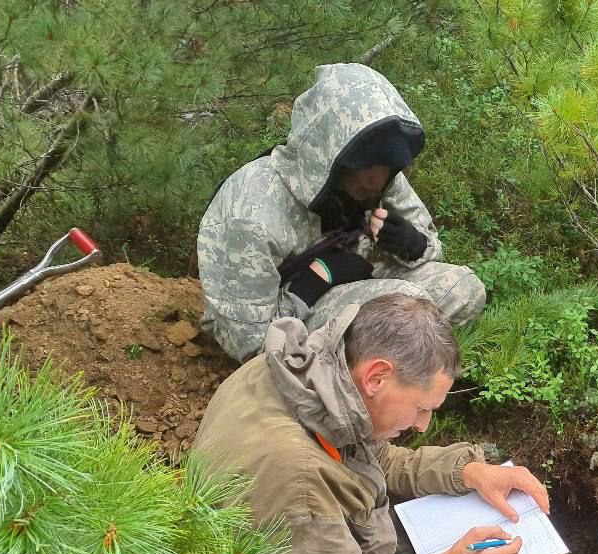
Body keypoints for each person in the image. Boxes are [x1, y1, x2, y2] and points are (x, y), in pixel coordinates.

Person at [193, 290, 581, 554]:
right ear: (376, 376)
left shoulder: (295, 374)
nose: (424, 426)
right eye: (421, 408)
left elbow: (365, 454)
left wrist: (466, 471)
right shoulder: (297, 478)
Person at [196, 62, 485, 363]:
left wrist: (411, 243)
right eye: (369, 164)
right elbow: (250, 343)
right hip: (285, 316)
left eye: (388, 165)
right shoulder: (254, 210)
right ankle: (362, 390)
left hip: (350, 285)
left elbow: (430, 245)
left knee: (463, 289)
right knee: (411, 314)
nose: (378, 179)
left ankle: (381, 368)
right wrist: (317, 279)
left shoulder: (380, 179)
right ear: (331, 154)